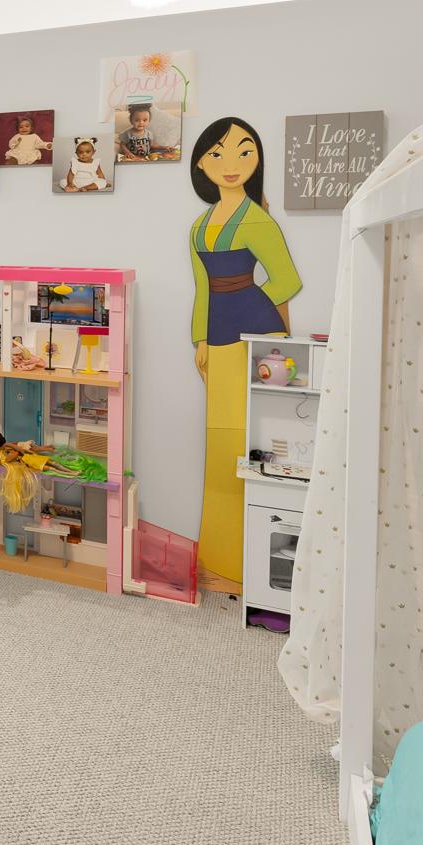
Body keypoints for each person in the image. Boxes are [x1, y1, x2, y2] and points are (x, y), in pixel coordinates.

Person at [189, 117, 302, 583]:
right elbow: (201, 289)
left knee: (244, 439)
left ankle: (247, 560)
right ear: (201, 163)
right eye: (218, 153)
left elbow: (288, 280)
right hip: (217, 332)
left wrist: (263, 321)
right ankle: (217, 554)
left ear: (257, 159)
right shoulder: (198, 226)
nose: (231, 163)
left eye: (244, 150)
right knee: (219, 441)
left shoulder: (257, 219)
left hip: (255, 333)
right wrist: (199, 338)